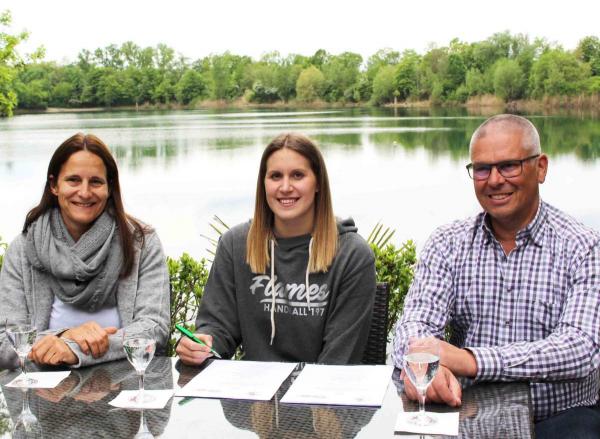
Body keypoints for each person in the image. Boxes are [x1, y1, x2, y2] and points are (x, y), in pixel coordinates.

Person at [393, 114, 600, 438]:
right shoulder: (448, 243)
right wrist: (418, 365)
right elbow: (413, 325)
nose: (494, 180)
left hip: (561, 416)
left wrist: (471, 361)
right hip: (469, 410)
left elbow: (579, 348)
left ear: (541, 167)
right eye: (482, 169)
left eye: (509, 166)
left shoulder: (583, 246)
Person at [177, 133, 376, 365]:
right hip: (251, 393)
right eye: (275, 176)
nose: (285, 187)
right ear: (264, 184)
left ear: (319, 182)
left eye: (298, 175)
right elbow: (218, 329)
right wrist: (200, 347)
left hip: (323, 394)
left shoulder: (352, 255)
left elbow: (339, 359)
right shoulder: (235, 244)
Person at [0, 133, 170, 369]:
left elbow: (155, 328)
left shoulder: (142, 243)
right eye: (73, 180)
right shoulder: (23, 249)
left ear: (109, 188)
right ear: (54, 185)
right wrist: (64, 336)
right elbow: (5, 343)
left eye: (96, 182)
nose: (85, 192)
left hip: (128, 390)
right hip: (44, 396)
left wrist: (75, 349)